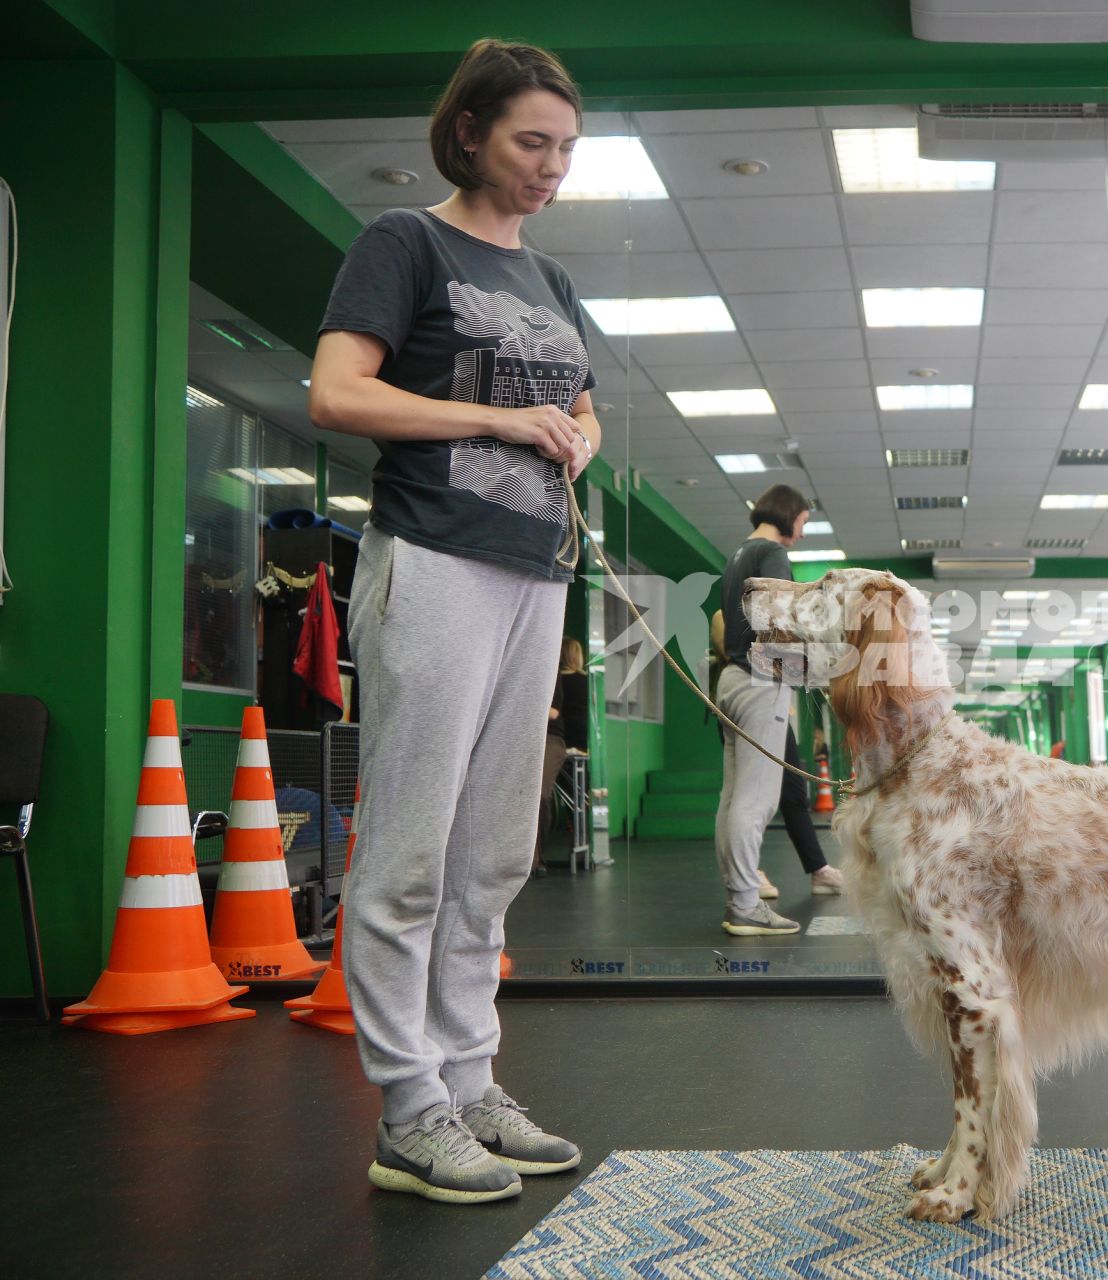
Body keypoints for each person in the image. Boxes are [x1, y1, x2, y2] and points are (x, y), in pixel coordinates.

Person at [308, 38, 592, 1205]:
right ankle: (409, 1106)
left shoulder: (552, 279)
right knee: (413, 846)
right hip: (431, 560)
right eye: (532, 142)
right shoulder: (404, 243)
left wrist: (575, 434)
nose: (550, 168)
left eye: (567, 150)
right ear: (469, 131)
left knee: (493, 854)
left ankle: (470, 1080)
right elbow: (336, 391)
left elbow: (582, 404)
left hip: (534, 572)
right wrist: (498, 422)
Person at [713, 483, 820, 936]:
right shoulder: (773, 554)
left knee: (734, 798)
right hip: (759, 681)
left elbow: (724, 625)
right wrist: (807, 670)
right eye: (804, 520)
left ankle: (739, 895)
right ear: (790, 514)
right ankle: (745, 905)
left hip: (730, 681)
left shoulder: (740, 554)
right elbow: (779, 626)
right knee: (757, 800)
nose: (802, 529)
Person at [707, 610, 843, 901]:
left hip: (770, 702)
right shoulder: (725, 614)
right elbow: (733, 653)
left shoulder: (766, 620)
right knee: (745, 796)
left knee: (793, 792)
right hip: (745, 705)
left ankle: (819, 869)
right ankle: (745, 873)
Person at [534, 636, 591, 876]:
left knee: (542, 795)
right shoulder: (583, 680)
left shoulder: (557, 677)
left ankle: (535, 859)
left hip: (556, 738)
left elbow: (555, 712)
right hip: (574, 739)